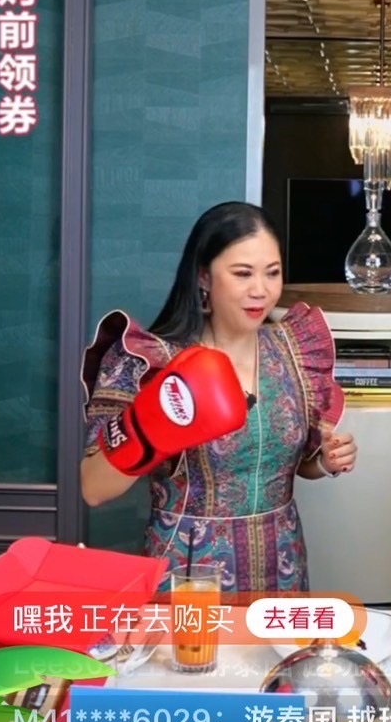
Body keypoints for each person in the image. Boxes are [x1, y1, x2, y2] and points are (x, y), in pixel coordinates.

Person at [81, 201, 357, 594]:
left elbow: (294, 466)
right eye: (243, 273)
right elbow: (93, 488)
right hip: (190, 575)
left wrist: (325, 462)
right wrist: (154, 421)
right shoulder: (150, 361)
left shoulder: (292, 351)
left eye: (272, 273)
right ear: (204, 277)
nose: (260, 290)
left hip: (283, 568)